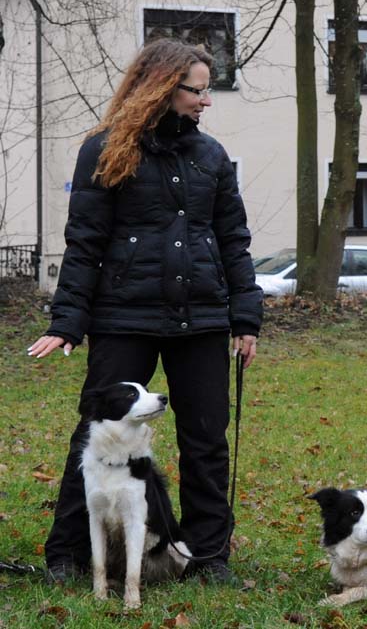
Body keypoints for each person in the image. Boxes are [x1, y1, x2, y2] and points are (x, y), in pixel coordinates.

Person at [27, 39, 263, 584]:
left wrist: (245, 319)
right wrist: (68, 322)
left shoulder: (212, 157)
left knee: (206, 438)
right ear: (161, 87)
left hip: (202, 320)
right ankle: (67, 553)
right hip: (122, 317)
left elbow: (234, 240)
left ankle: (205, 556)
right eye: (196, 90)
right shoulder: (106, 150)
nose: (206, 101)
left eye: (207, 90)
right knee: (95, 435)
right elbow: (84, 242)